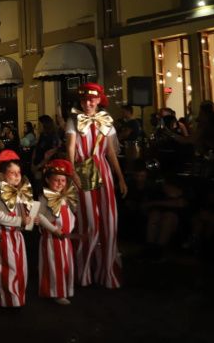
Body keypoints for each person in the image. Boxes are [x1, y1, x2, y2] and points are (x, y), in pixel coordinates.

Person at [66, 83, 127, 289]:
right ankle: (85, 271)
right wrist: (72, 173)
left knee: (109, 222)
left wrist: (120, 178)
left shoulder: (106, 121)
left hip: (103, 172)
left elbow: (110, 152)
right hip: (84, 171)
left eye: (92, 99)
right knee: (89, 222)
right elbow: (70, 149)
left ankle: (106, 271)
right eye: (84, 100)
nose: (88, 103)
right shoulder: (74, 120)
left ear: (99, 100)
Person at [0, 149, 32, 307]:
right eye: (12, 173)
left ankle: (14, 298)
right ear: (2, 175)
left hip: (17, 237)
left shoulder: (19, 193)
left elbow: (25, 215)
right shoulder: (0, 193)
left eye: (18, 172)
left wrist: (31, 219)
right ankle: (9, 301)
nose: (17, 176)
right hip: (4, 237)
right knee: (8, 269)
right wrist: (21, 221)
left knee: (19, 268)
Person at [35, 159, 78, 305]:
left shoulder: (64, 198)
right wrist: (53, 229)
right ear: (47, 180)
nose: (60, 183)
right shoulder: (44, 197)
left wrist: (69, 229)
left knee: (66, 265)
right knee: (55, 266)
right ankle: (56, 292)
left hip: (64, 240)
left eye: (63, 181)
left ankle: (65, 289)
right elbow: (39, 217)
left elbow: (71, 217)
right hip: (51, 240)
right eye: (56, 180)